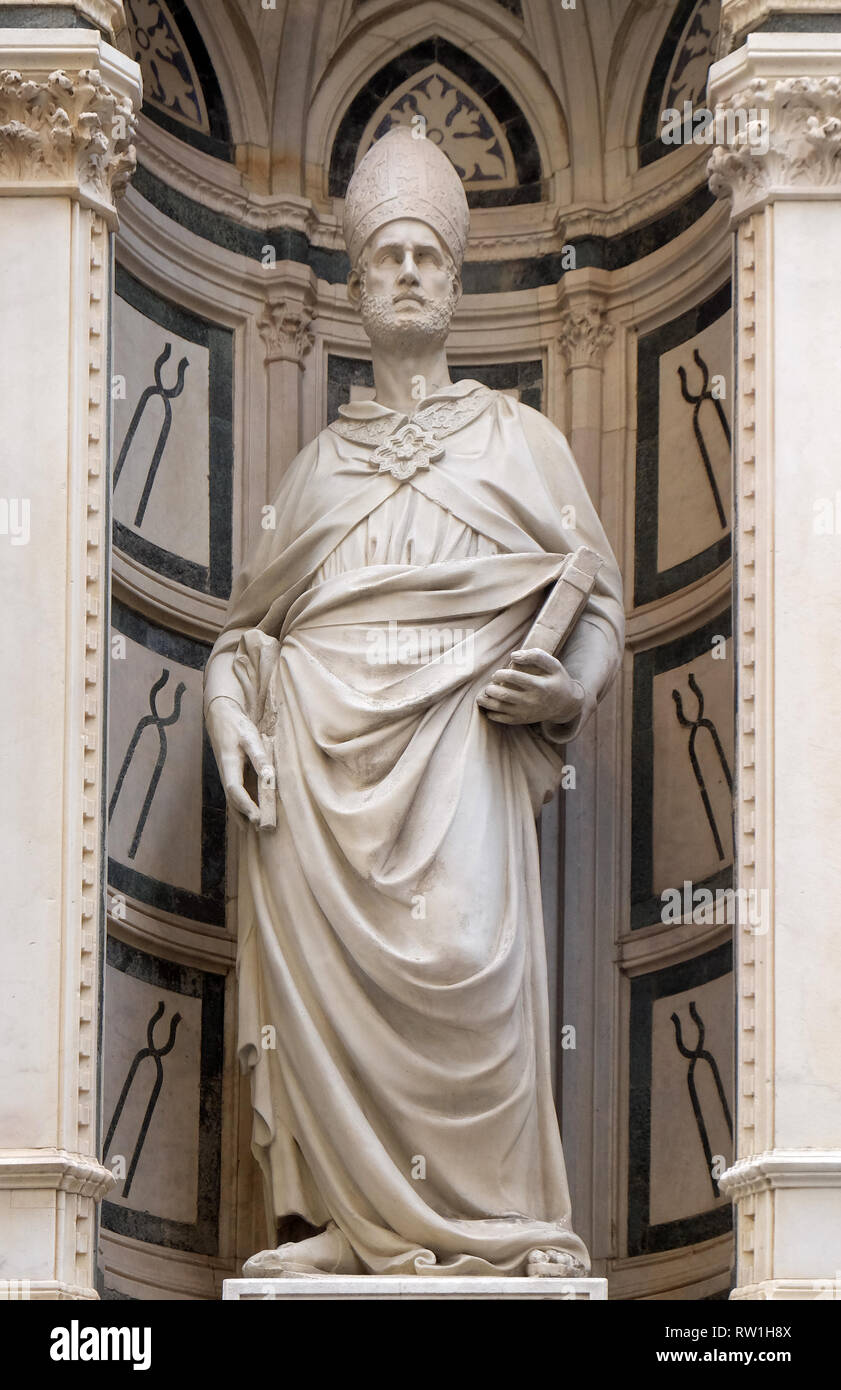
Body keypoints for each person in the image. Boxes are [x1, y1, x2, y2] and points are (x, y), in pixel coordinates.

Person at [204, 125, 624, 1277]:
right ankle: (348, 1225)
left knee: (473, 971)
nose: (402, 273)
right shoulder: (318, 469)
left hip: (462, 765)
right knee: (327, 1009)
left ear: (454, 277)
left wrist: (566, 684)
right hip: (322, 790)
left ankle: (494, 1222)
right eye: (383, 254)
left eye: (423, 258)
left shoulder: (519, 442)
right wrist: (232, 707)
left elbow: (599, 604)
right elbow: (246, 633)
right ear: (352, 282)